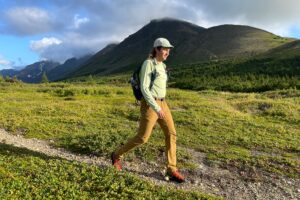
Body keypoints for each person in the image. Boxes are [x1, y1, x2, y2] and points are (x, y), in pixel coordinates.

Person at [111, 38, 185, 183]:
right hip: (151, 104)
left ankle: (172, 168)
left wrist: (161, 106)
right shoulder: (148, 64)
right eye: (164, 49)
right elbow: (145, 88)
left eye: (169, 49)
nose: (167, 52)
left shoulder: (163, 66)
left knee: (171, 134)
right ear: (157, 49)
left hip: (163, 103)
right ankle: (116, 155)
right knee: (143, 138)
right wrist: (156, 107)